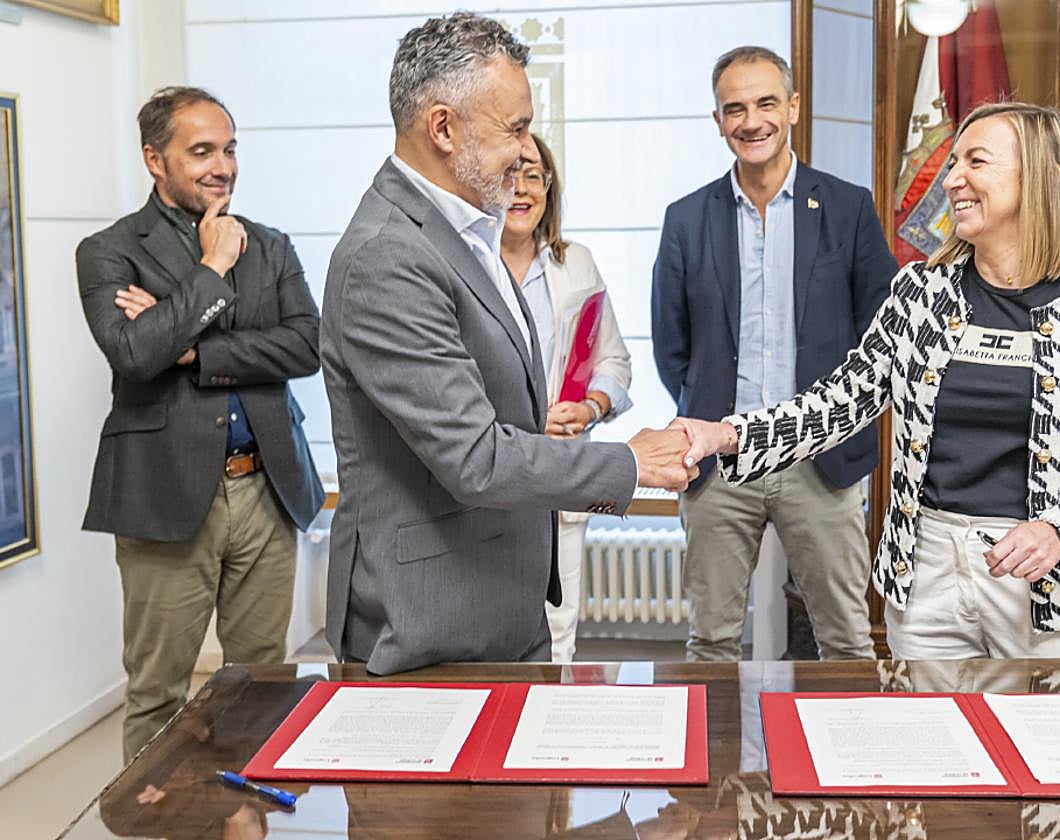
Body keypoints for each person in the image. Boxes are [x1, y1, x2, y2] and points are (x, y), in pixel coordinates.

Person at [673, 101, 1060, 659]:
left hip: (1057, 590)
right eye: (953, 162)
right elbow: (840, 401)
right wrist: (729, 435)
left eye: (976, 162)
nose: (951, 179)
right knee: (930, 745)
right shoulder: (920, 294)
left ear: (1044, 174)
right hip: (929, 578)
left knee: (1047, 747)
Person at [321, 12, 695, 675]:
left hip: (503, 599)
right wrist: (629, 463)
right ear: (442, 127)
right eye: (514, 129)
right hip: (429, 621)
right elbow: (474, 456)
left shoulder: (469, 231)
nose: (527, 152)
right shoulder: (388, 255)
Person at [76, 86, 324, 761]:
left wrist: (194, 346)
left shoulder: (270, 246)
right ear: (155, 160)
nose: (223, 166)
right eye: (202, 151)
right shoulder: (108, 252)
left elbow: (305, 344)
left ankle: (244, 816)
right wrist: (212, 267)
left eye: (230, 148)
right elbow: (134, 352)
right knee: (159, 690)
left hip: (267, 490)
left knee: (260, 682)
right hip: (164, 495)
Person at [651, 46, 897, 662]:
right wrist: (707, 415)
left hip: (822, 461)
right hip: (719, 465)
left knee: (844, 641)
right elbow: (671, 345)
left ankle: (843, 760)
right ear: (717, 120)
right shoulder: (685, 219)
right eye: (734, 109)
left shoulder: (847, 208)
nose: (751, 121)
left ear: (792, 108)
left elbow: (883, 331)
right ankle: (717, 762)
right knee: (710, 644)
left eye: (765, 103)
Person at [500, 134, 634, 663]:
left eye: (534, 175)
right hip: (487, 471)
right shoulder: (465, 263)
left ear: (549, 188)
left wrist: (591, 407)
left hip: (558, 475)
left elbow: (615, 362)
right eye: (510, 173)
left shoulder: (575, 263)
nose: (522, 188)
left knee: (558, 635)